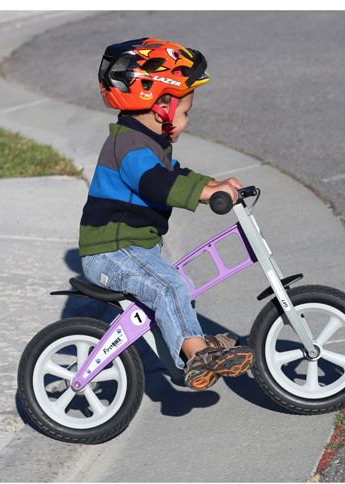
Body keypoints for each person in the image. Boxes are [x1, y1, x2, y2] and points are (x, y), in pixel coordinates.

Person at [79, 38, 252, 391]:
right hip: (112, 252)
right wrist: (206, 194)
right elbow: (156, 184)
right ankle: (197, 356)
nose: (187, 121)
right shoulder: (129, 145)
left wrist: (213, 184)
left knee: (173, 287)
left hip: (131, 249)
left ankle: (193, 345)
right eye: (186, 112)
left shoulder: (147, 143)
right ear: (162, 107)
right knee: (169, 286)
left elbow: (174, 175)